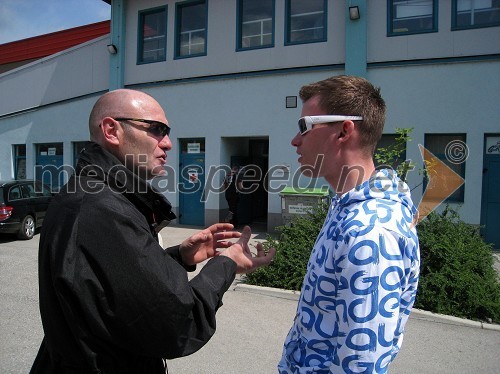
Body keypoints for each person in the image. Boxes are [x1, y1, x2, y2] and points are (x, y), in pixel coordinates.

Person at [30, 89, 275, 373]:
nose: (168, 143)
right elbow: (179, 321)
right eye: (157, 130)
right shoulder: (102, 207)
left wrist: (179, 257)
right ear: (112, 130)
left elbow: (114, 286)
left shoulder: (95, 195)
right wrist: (227, 263)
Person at [278, 75, 420, 373]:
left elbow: (362, 362)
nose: (295, 139)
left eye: (305, 126)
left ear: (344, 130)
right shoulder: (348, 205)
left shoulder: (370, 231)